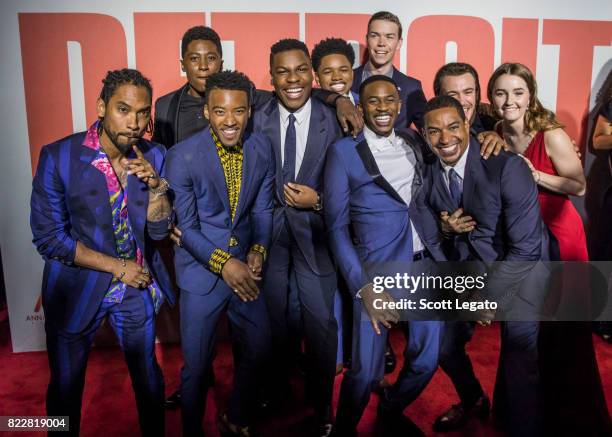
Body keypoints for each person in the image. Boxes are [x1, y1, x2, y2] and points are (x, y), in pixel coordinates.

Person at [30, 68, 174, 436]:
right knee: (65, 387)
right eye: (124, 110)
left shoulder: (154, 155)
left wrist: (156, 188)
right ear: (101, 107)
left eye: (143, 113)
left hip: (134, 289)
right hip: (77, 288)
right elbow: (49, 239)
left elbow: (158, 232)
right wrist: (118, 266)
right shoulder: (59, 157)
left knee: (148, 379)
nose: (135, 122)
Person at [489, 62, 611, 435]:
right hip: (523, 239)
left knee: (562, 331)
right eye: (501, 92)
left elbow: (579, 186)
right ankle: (526, 413)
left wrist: (534, 173)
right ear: (491, 98)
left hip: (560, 240)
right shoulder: (495, 133)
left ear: (531, 96)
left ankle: (569, 420)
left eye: (518, 92)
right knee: (526, 331)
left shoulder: (550, 132)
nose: (510, 100)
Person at [325, 75, 446, 436]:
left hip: (424, 265)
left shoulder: (414, 140)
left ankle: (391, 409)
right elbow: (335, 228)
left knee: (427, 359)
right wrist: (363, 287)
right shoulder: (343, 152)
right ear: (361, 107)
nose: (382, 108)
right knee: (364, 370)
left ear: (399, 105)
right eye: (373, 102)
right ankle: (346, 428)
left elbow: (454, 149)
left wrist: (490, 133)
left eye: (389, 101)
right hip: (377, 275)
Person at [423, 94, 548, 436]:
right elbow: (427, 217)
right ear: (424, 135)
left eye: (453, 127)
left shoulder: (508, 167)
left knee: (519, 362)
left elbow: (526, 248)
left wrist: (488, 297)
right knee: (445, 347)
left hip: (520, 268)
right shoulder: (429, 168)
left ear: (468, 126)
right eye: (434, 132)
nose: (445, 139)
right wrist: (444, 227)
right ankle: (474, 398)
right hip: (467, 268)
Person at [165, 70, 275, 437]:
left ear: (249, 111)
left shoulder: (261, 149)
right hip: (202, 275)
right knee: (196, 368)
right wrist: (222, 262)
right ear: (208, 112)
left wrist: (258, 248)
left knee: (260, 350)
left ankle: (236, 416)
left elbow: (262, 209)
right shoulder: (182, 156)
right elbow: (186, 228)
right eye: (221, 112)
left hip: (245, 268)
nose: (230, 121)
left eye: (239, 111)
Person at [251, 38, 342, 437]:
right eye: (282, 71)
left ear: (312, 73)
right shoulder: (255, 115)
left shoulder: (336, 118)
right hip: (268, 237)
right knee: (273, 322)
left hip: (316, 236)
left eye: (300, 69)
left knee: (321, 324)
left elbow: (349, 187)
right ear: (270, 78)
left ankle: (322, 405)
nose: (292, 79)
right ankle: (275, 392)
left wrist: (319, 200)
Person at [351, 11, 426, 130]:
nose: (381, 43)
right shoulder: (348, 80)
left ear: (399, 43)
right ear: (367, 39)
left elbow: (429, 130)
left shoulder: (411, 88)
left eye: (389, 37)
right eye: (375, 35)